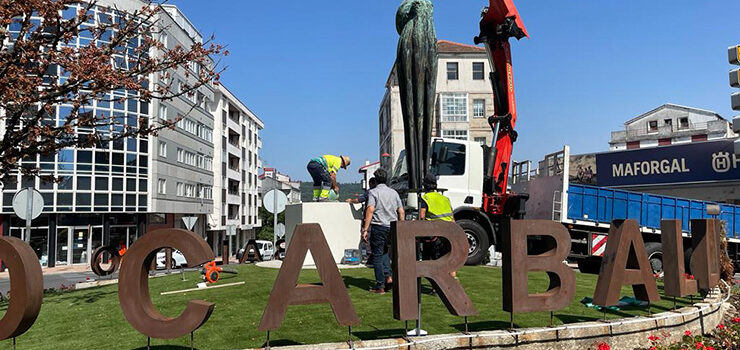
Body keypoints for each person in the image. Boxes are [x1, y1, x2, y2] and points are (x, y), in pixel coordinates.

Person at [362, 169, 404, 294]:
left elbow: (370, 210)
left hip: (378, 226)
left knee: (377, 256)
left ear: (375, 180)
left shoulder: (373, 192)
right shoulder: (394, 193)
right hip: (392, 226)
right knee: (385, 252)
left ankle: (380, 286)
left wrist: (365, 229)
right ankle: (388, 277)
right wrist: (401, 227)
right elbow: (401, 211)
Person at [419, 173, 456, 281]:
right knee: (445, 259)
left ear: (424, 185)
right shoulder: (445, 198)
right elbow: (452, 218)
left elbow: (422, 218)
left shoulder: (425, 198)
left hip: (435, 235)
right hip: (448, 234)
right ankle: (451, 279)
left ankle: (438, 284)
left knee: (433, 261)